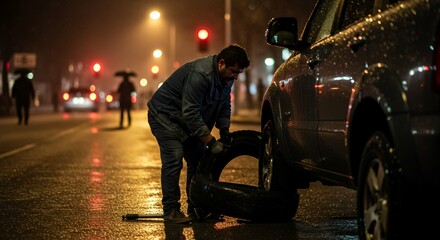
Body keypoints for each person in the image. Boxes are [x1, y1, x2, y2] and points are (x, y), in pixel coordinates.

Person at [147, 44, 250, 224]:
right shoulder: (200, 75)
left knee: (198, 160)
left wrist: (224, 129)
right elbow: (191, 112)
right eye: (233, 71)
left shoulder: (227, 78)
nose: (235, 76)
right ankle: (171, 210)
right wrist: (210, 141)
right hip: (165, 117)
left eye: (238, 73)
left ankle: (196, 207)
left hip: (188, 122)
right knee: (174, 159)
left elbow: (224, 105)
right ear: (221, 63)